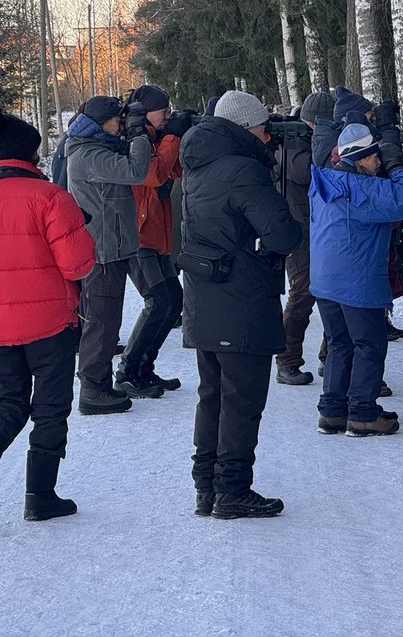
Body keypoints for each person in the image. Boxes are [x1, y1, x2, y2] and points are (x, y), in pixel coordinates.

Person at [0, 106, 96, 525]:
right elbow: (77, 266)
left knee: (9, 402)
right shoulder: (53, 198)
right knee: (50, 409)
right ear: (32, 157)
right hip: (51, 325)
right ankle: (40, 497)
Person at [181, 90, 301, 520]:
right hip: (242, 298)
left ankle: (206, 488)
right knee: (242, 400)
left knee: (212, 395)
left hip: (205, 295)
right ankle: (232, 489)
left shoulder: (198, 164)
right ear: (246, 128)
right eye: (263, 127)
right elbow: (283, 235)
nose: (268, 134)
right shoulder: (244, 170)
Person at [309, 124, 403, 437]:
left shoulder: (324, 179)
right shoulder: (363, 189)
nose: (378, 164)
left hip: (325, 279)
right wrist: (397, 164)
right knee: (369, 345)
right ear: (361, 158)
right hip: (356, 281)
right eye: (375, 158)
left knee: (339, 344)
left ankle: (332, 410)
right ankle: (362, 413)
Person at [64, 95, 151, 414]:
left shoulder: (93, 146)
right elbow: (136, 170)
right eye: (119, 120)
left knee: (104, 319)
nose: (122, 125)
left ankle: (96, 384)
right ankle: (92, 390)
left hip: (109, 245)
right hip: (102, 251)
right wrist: (140, 135)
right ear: (102, 123)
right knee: (102, 322)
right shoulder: (87, 154)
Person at [115, 84, 192, 397]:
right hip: (138, 235)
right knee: (158, 301)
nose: (168, 115)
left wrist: (179, 134)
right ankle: (127, 371)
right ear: (146, 112)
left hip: (157, 235)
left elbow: (176, 171)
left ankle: (145, 369)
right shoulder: (135, 137)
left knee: (173, 301)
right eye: (164, 110)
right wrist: (172, 135)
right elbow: (153, 175)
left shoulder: (156, 137)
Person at [274, 90, 335, 386]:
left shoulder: (309, 140)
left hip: (323, 229)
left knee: (333, 294)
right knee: (302, 295)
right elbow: (309, 172)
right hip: (300, 232)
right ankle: (287, 360)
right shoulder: (290, 144)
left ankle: (331, 357)